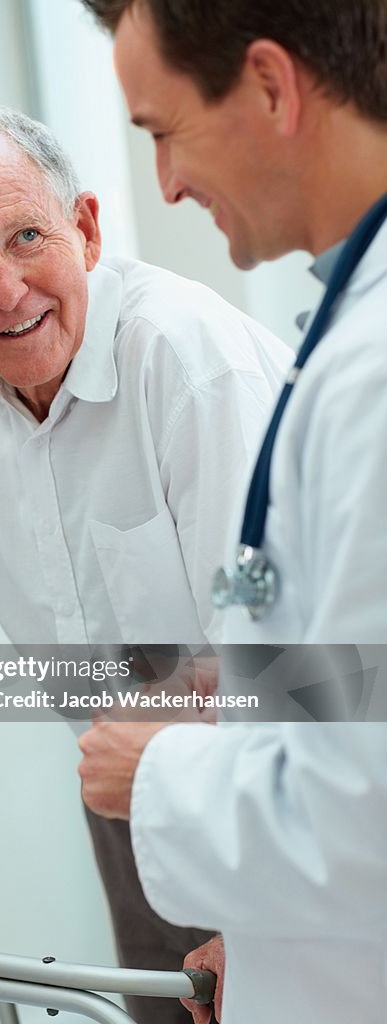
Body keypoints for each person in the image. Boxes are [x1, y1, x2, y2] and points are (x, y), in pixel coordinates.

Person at [0, 100, 291, 1024]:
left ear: (87, 230)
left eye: (27, 237)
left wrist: (262, 921)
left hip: (306, 774)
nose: (7, 290)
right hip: (133, 794)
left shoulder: (190, 362)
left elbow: (284, 658)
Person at [76, 2, 387, 1022]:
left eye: (162, 130)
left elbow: (363, 811)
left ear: (268, 84)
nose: (163, 182)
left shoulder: (368, 376)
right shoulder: (344, 334)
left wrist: (155, 770)